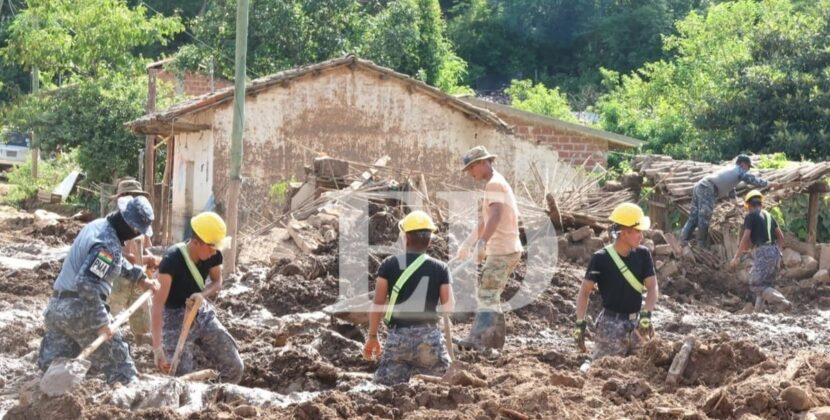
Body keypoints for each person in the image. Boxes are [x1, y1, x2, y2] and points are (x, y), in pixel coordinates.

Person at [38, 196, 159, 385]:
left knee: (53, 371)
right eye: (137, 231)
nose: (136, 235)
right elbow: (86, 283)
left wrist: (140, 277)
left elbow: (111, 261)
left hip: (57, 309)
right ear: (130, 225)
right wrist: (102, 322)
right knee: (122, 368)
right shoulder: (108, 245)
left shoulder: (98, 225)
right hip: (79, 312)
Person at [363, 211, 454, 385]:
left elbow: (377, 304)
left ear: (406, 239)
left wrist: (373, 337)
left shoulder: (389, 265)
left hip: (399, 341)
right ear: (429, 241)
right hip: (430, 340)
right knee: (444, 385)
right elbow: (448, 308)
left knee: (383, 389)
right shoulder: (441, 268)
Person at [151, 212, 243, 383]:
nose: (214, 252)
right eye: (210, 247)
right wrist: (157, 348)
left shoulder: (213, 254)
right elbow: (157, 306)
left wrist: (202, 295)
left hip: (200, 311)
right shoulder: (171, 261)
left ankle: (211, 397)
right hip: (173, 319)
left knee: (235, 368)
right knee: (181, 378)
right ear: (195, 242)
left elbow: (217, 281)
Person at [454, 146, 523, 350]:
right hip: (507, 248)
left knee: (487, 294)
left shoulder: (494, 185)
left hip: (503, 250)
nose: (471, 173)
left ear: (483, 163)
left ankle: (479, 340)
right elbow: (485, 221)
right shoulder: (495, 183)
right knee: (490, 294)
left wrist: (482, 243)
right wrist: (468, 243)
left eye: (471, 168)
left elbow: (495, 216)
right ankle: (492, 341)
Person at [574, 203, 659, 360]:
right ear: (624, 234)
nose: (642, 235)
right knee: (603, 370)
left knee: (644, 371)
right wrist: (580, 322)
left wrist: (646, 314)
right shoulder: (600, 259)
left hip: (638, 326)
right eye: (637, 231)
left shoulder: (643, 254)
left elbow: (652, 287)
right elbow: (585, 291)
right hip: (610, 326)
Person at [681, 155, 772, 249]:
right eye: (748, 166)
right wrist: (768, 184)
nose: (748, 169)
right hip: (707, 188)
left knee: (694, 217)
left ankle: (683, 241)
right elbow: (751, 179)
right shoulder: (738, 170)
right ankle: (701, 245)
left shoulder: (732, 171)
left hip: (700, 185)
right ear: (743, 164)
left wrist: (735, 202)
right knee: (704, 216)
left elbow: (731, 188)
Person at [109, 178, 157, 342]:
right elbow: (117, 258)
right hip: (119, 277)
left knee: (142, 320)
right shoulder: (114, 224)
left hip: (139, 275)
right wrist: (145, 259)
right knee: (109, 315)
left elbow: (146, 246)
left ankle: (140, 339)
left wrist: (148, 261)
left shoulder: (141, 220)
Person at [728, 190, 790, 312]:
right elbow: (781, 238)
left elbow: (746, 237)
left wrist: (736, 256)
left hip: (763, 251)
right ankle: (757, 313)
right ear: (760, 203)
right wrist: (778, 253)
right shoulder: (769, 216)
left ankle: (782, 301)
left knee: (756, 284)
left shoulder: (750, 216)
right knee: (765, 284)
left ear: (749, 205)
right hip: (775, 251)